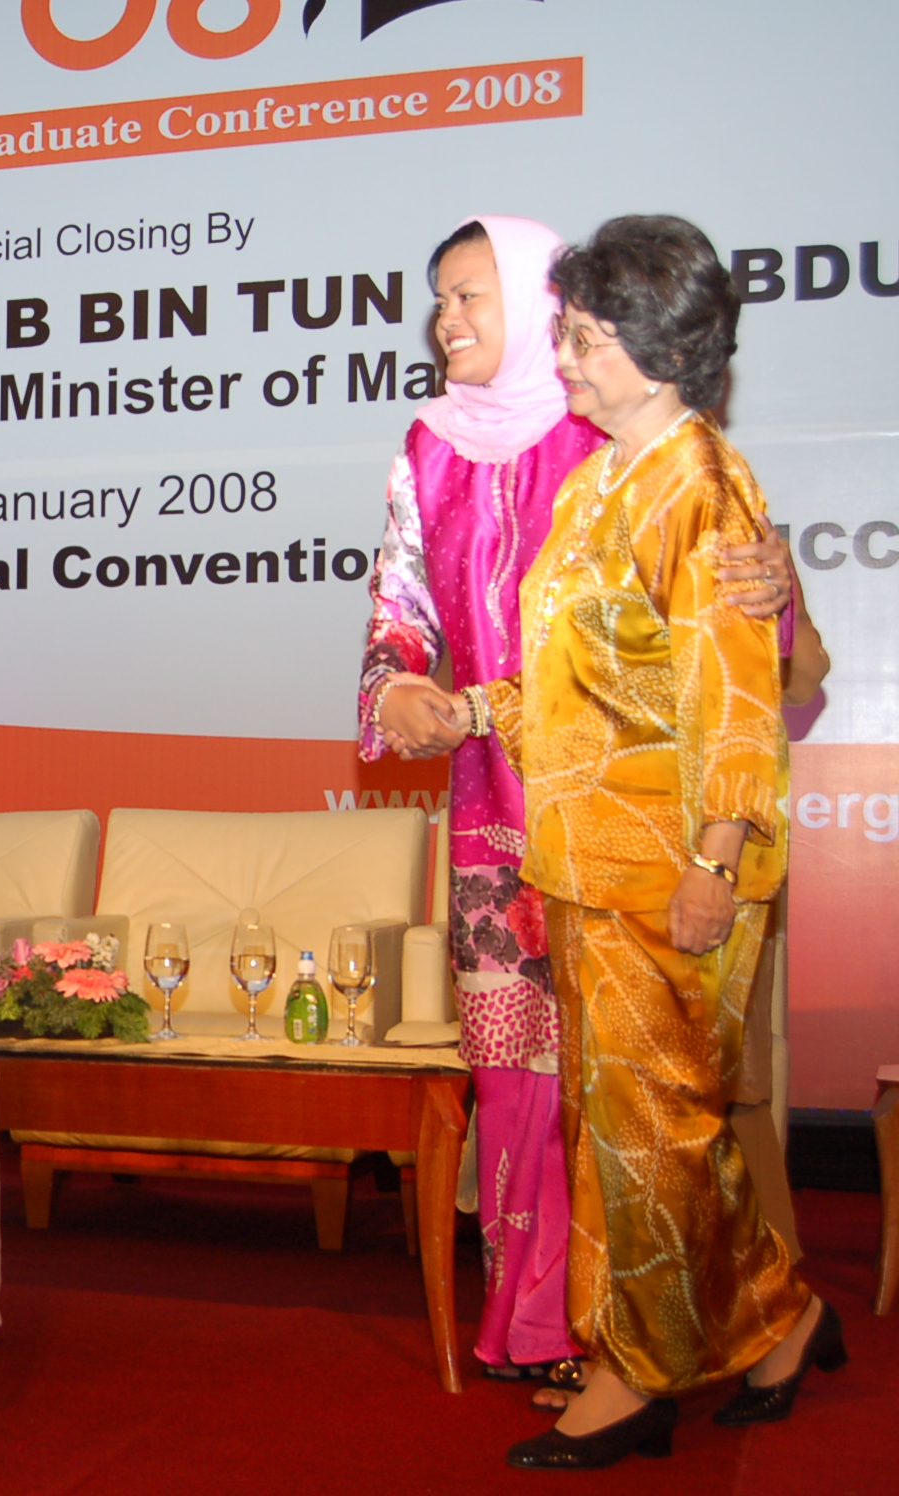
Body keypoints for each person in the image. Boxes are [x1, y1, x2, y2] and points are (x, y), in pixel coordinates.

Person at [355, 218, 812, 1410]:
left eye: (473, 294)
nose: (449, 319)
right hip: (522, 821)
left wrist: (775, 585)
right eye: (439, 298)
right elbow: (471, 632)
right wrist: (419, 692)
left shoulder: (651, 453)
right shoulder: (486, 455)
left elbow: (737, 669)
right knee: (573, 1094)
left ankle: (627, 1347)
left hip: (657, 837)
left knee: (647, 1107)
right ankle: (604, 1318)